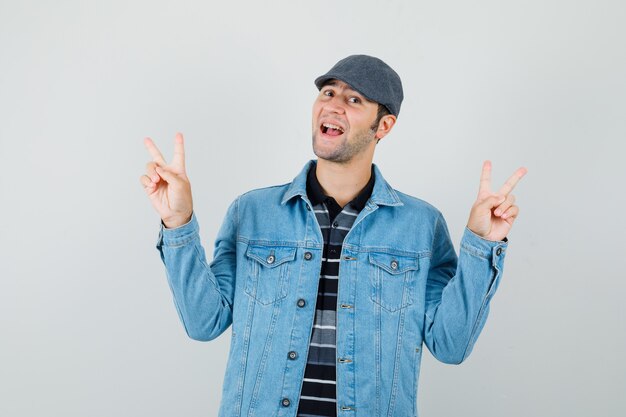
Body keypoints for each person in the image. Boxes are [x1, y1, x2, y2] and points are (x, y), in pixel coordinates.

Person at [139, 54, 526, 417]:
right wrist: (178, 223)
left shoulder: (421, 226)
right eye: (328, 93)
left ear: (384, 125)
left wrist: (482, 244)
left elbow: (451, 344)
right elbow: (203, 322)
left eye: (354, 99)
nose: (333, 105)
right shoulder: (252, 212)